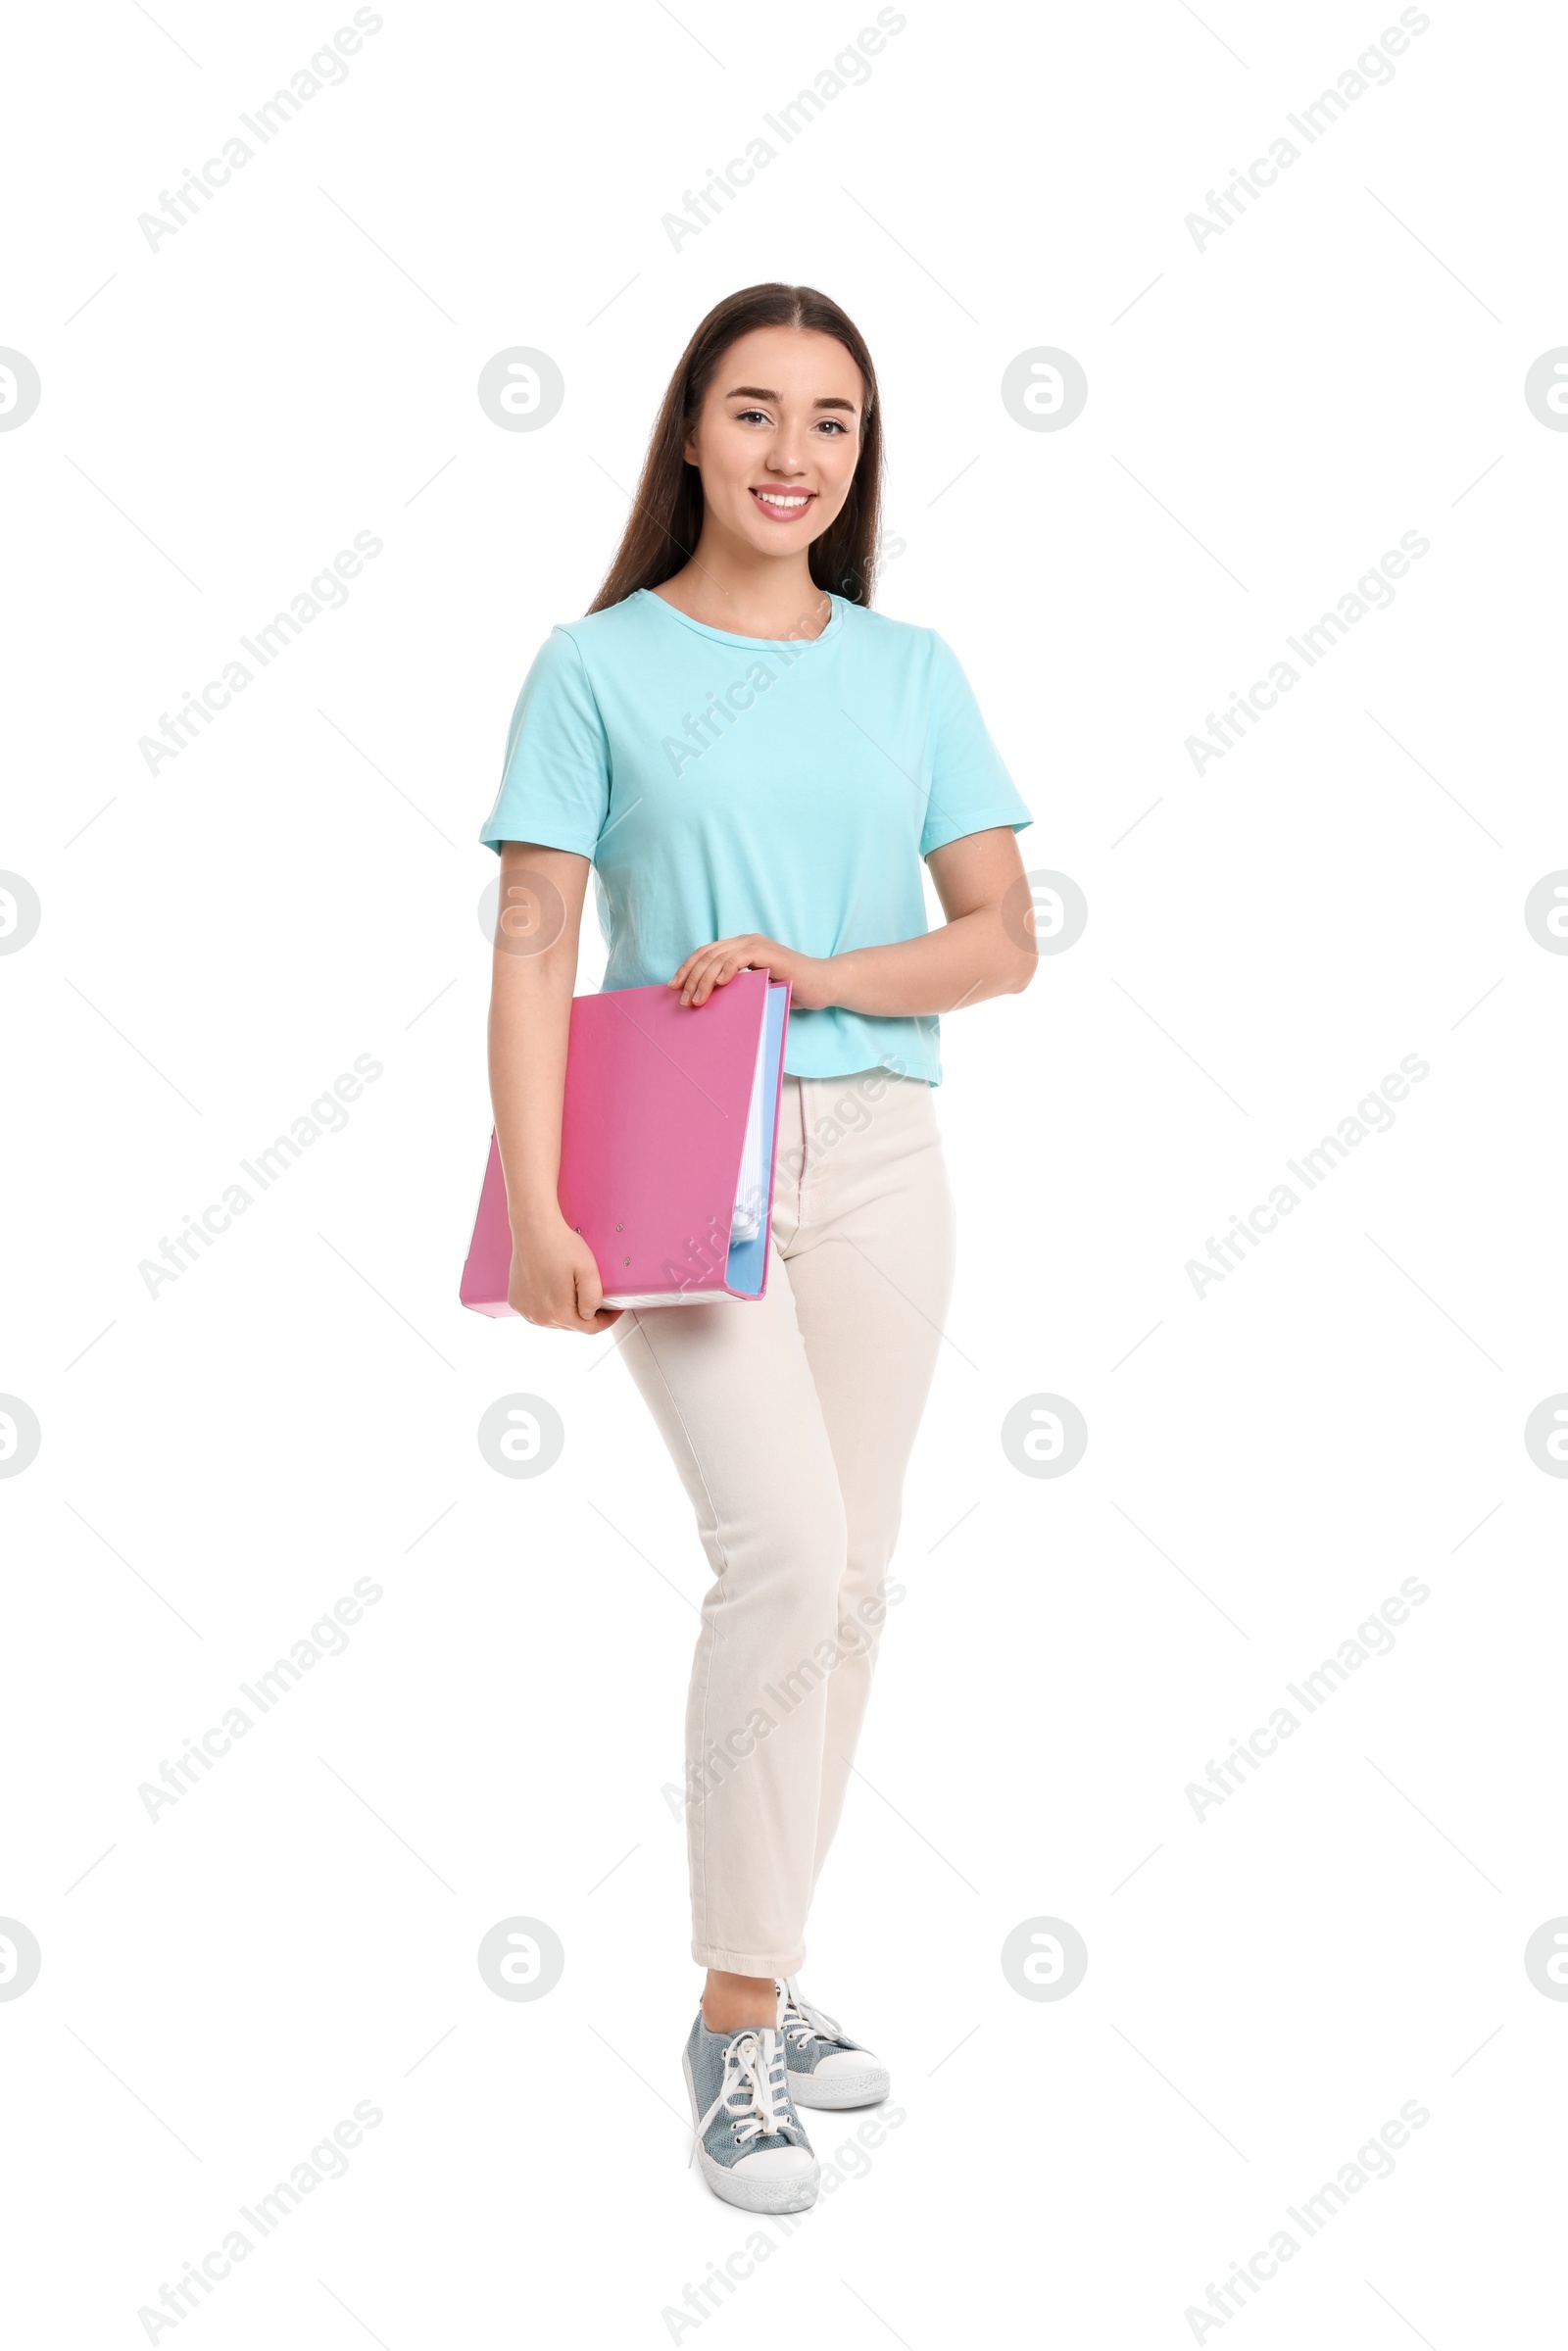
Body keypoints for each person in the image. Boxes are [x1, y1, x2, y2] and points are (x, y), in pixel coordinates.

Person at [479, 282, 1036, 2211]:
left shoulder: (910, 671)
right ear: (689, 437)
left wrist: (815, 971)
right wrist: (538, 1203)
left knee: (854, 1583)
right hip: (670, 1164)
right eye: (754, 413)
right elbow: (535, 950)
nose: (794, 456)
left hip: (882, 1145)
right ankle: (733, 2017)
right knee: (778, 1557)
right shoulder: (593, 666)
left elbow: (997, 937)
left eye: (832, 424)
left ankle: (774, 1973)